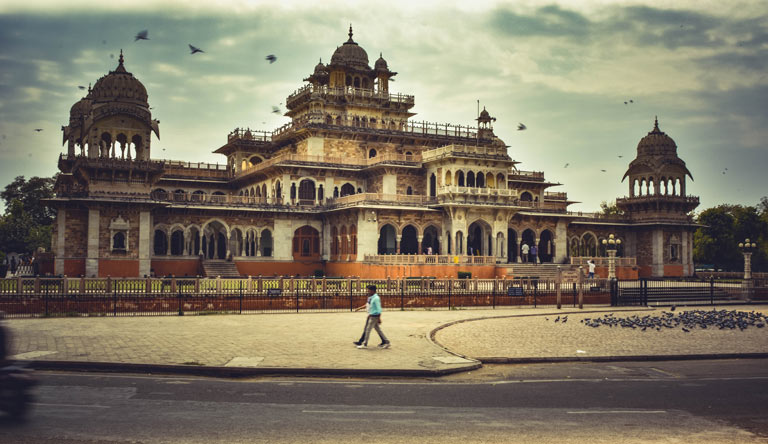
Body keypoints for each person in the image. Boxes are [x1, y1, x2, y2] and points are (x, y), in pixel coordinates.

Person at [354, 284, 390, 349]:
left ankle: (365, 344)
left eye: (369, 290)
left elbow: (378, 309)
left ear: (373, 291)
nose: (368, 291)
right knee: (378, 330)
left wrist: (379, 318)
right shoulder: (372, 297)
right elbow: (369, 306)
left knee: (368, 330)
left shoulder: (376, 298)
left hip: (374, 316)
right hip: (372, 315)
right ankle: (387, 342)